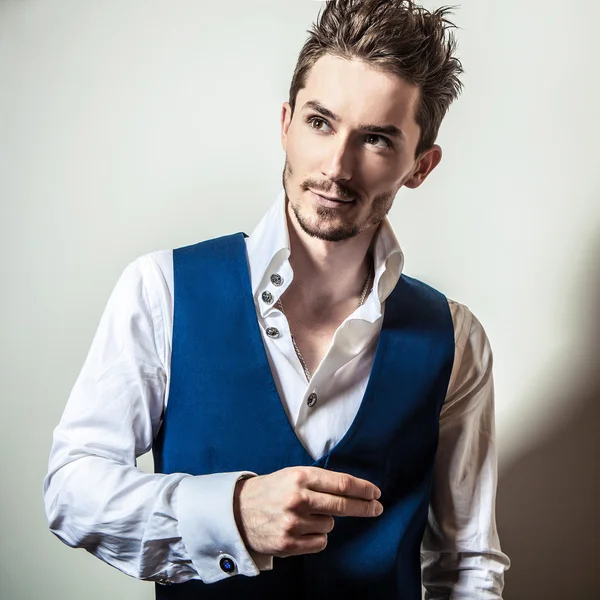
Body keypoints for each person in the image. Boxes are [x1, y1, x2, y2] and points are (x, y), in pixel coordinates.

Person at [43, 1, 511, 598]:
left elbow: (467, 564)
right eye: (321, 122)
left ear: (420, 166)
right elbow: (71, 489)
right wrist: (231, 512)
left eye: (375, 140)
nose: (336, 167)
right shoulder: (161, 290)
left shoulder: (454, 338)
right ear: (286, 123)